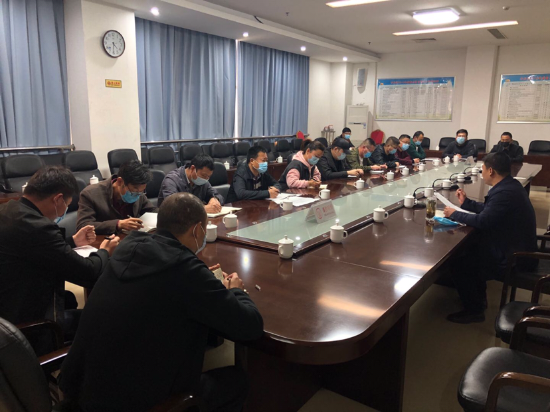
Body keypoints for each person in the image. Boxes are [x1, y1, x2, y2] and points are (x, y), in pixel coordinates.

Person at [59, 193, 263, 412]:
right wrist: (235, 290)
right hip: (127, 403)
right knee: (237, 381)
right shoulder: (186, 270)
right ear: (197, 230)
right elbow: (250, 325)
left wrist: (203, 281)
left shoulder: (127, 248)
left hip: (77, 390)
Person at [0, 166, 119, 350]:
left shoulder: (9, 209)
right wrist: (104, 251)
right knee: (104, 319)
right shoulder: (38, 227)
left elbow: (36, 249)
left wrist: (72, 241)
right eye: (67, 204)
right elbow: (88, 271)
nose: (65, 210)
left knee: (70, 299)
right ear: (58, 199)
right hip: (26, 325)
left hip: (8, 309)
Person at [443, 152, 537, 323]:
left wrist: (454, 214)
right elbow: (490, 209)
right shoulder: (510, 185)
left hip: (515, 257)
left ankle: (474, 310)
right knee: (470, 250)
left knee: (460, 262)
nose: (482, 173)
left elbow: (483, 221)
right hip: (515, 246)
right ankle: (477, 299)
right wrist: (467, 203)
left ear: (491, 171)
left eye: (483, 169)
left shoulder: (504, 193)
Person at [77, 160, 157, 235]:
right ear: (120, 181)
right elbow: (83, 225)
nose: (137, 194)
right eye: (134, 191)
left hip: (130, 238)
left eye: (141, 191)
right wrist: (118, 224)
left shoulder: (139, 192)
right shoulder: (90, 194)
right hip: (104, 240)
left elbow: (152, 210)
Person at [157, 154, 224, 211]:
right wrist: (202, 209)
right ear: (192, 168)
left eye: (208, 176)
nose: (206, 179)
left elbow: (219, 196)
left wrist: (214, 199)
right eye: (204, 175)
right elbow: (172, 207)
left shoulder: (203, 181)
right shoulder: (172, 180)